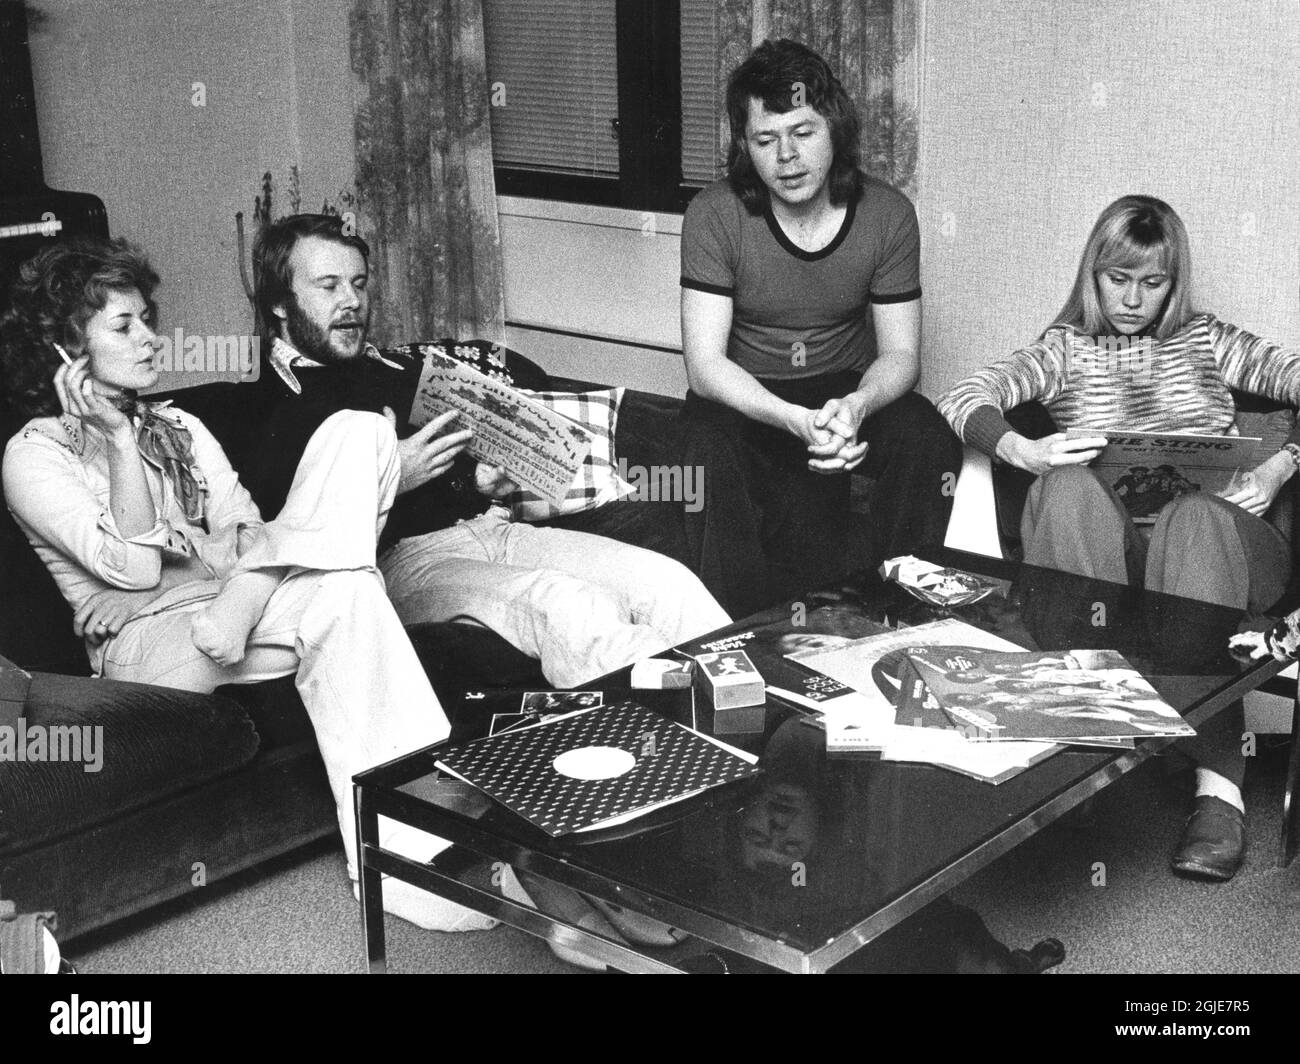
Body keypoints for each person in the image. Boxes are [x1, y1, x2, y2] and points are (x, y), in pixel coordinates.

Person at [0, 236, 493, 934]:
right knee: (331, 572)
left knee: (357, 461)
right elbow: (136, 571)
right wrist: (117, 446)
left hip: (228, 612)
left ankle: (403, 869)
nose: (150, 339)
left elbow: (251, 530)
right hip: (149, 648)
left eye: (148, 319)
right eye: (124, 326)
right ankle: (253, 595)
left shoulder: (179, 423)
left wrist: (226, 565)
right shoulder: (34, 454)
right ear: (65, 350)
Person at [937, 194, 1300, 881]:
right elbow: (964, 394)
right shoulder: (1066, 349)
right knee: (1066, 490)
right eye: (1118, 278)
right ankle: (1088, 755)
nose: (1133, 298)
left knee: (1190, 521)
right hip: (1113, 564)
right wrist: (1023, 450)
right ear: (1093, 275)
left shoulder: (1209, 340)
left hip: (1222, 547)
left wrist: (1282, 465)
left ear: (1175, 281)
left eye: (1152, 281)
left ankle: (1220, 785)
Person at [244, 213, 730, 692]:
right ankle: (670, 733)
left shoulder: (393, 368)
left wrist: (475, 481)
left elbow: (448, 468)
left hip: (492, 528)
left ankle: (760, 704)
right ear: (281, 305)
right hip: (399, 565)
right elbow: (283, 535)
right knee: (565, 603)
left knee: (664, 580)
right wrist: (392, 477)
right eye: (328, 287)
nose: (352, 302)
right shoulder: (267, 407)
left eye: (359, 283)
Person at [678, 38, 961, 617]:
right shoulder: (713, 213)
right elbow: (705, 368)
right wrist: (792, 421)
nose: (786, 156)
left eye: (802, 133)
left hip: (841, 388)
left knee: (927, 438)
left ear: (834, 127)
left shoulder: (887, 214)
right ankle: (729, 630)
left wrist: (854, 407)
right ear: (744, 146)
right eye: (765, 139)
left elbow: (903, 354)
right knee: (703, 452)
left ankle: (897, 611)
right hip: (745, 395)